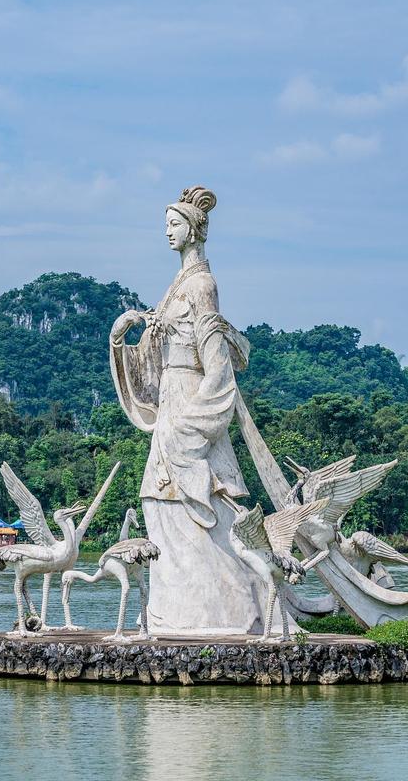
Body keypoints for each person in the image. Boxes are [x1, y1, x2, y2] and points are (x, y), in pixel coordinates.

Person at [109, 186, 261, 634]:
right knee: (157, 500)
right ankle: (175, 612)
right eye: (166, 225)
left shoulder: (201, 286)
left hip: (191, 403)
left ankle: (225, 611)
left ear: (194, 230)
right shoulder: (174, 289)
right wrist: (120, 341)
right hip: (172, 396)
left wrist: (194, 428)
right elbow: (157, 358)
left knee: (181, 498)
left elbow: (217, 366)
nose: (167, 232)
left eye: (174, 224)